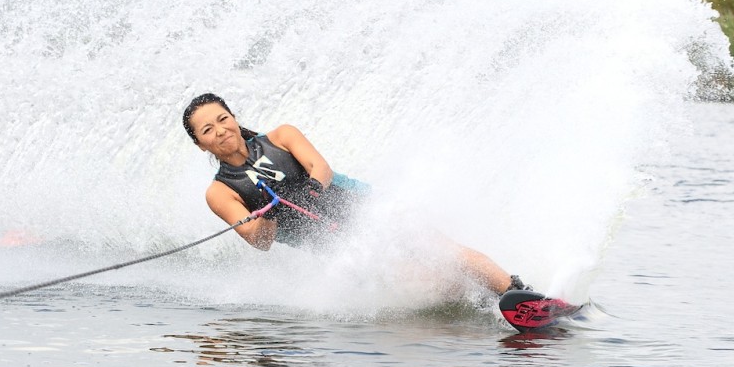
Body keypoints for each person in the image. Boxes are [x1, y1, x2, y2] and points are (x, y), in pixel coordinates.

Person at [181, 92, 529, 299]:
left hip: (367, 209)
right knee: (426, 285)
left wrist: (311, 189)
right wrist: (267, 215)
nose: (220, 130)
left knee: (441, 250)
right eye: (207, 130)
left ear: (234, 117)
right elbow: (259, 242)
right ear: (200, 144)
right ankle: (484, 300)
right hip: (339, 246)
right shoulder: (220, 191)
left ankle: (518, 292)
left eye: (222, 118)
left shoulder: (281, 135)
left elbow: (321, 169)